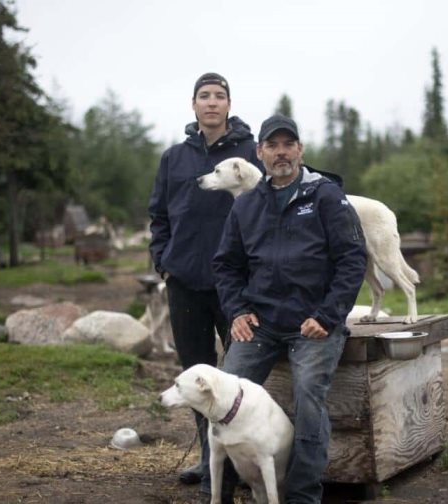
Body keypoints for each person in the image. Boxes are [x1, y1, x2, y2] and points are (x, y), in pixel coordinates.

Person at [212, 114, 368, 503]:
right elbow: (226, 265)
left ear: (300, 149)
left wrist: (328, 316)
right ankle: (216, 490)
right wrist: (237, 311)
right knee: (222, 393)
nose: (281, 153)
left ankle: (301, 495)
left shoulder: (327, 196)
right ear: (259, 152)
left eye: (288, 144)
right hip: (260, 324)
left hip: (313, 323)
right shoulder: (247, 205)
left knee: (308, 396)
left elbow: (352, 259)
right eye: (273, 146)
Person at [147, 72, 262, 493]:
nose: (212, 102)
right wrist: (164, 263)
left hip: (237, 285)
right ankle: (208, 458)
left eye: (219, 96)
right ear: (193, 105)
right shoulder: (174, 158)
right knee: (196, 372)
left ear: (229, 105)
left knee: (242, 374)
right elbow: (158, 215)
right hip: (186, 281)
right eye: (204, 96)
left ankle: (246, 462)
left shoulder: (251, 152)